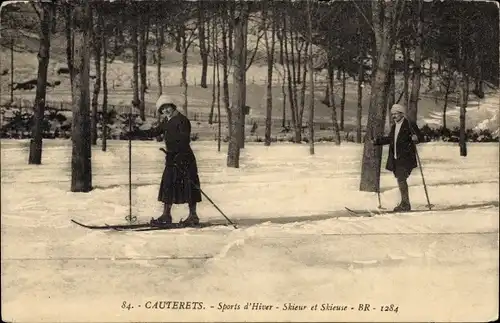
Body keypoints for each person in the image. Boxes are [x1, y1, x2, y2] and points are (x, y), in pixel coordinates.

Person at [129, 95, 202, 225]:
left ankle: (193, 216)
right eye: (162, 110)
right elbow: (154, 132)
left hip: (184, 158)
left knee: (189, 186)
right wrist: (136, 133)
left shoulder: (182, 120)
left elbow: (184, 139)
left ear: (172, 106)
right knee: (168, 185)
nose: (165, 111)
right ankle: (166, 215)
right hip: (171, 158)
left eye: (167, 107)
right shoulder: (166, 122)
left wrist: (177, 154)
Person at [372, 104, 424, 212]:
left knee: (401, 178)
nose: (394, 116)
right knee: (400, 179)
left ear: (401, 113)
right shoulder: (395, 126)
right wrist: (377, 141)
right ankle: (405, 203)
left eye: (395, 114)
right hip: (396, 157)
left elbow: (421, 137)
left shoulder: (409, 124)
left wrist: (416, 138)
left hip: (406, 157)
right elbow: (391, 139)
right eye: (392, 114)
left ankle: (405, 204)